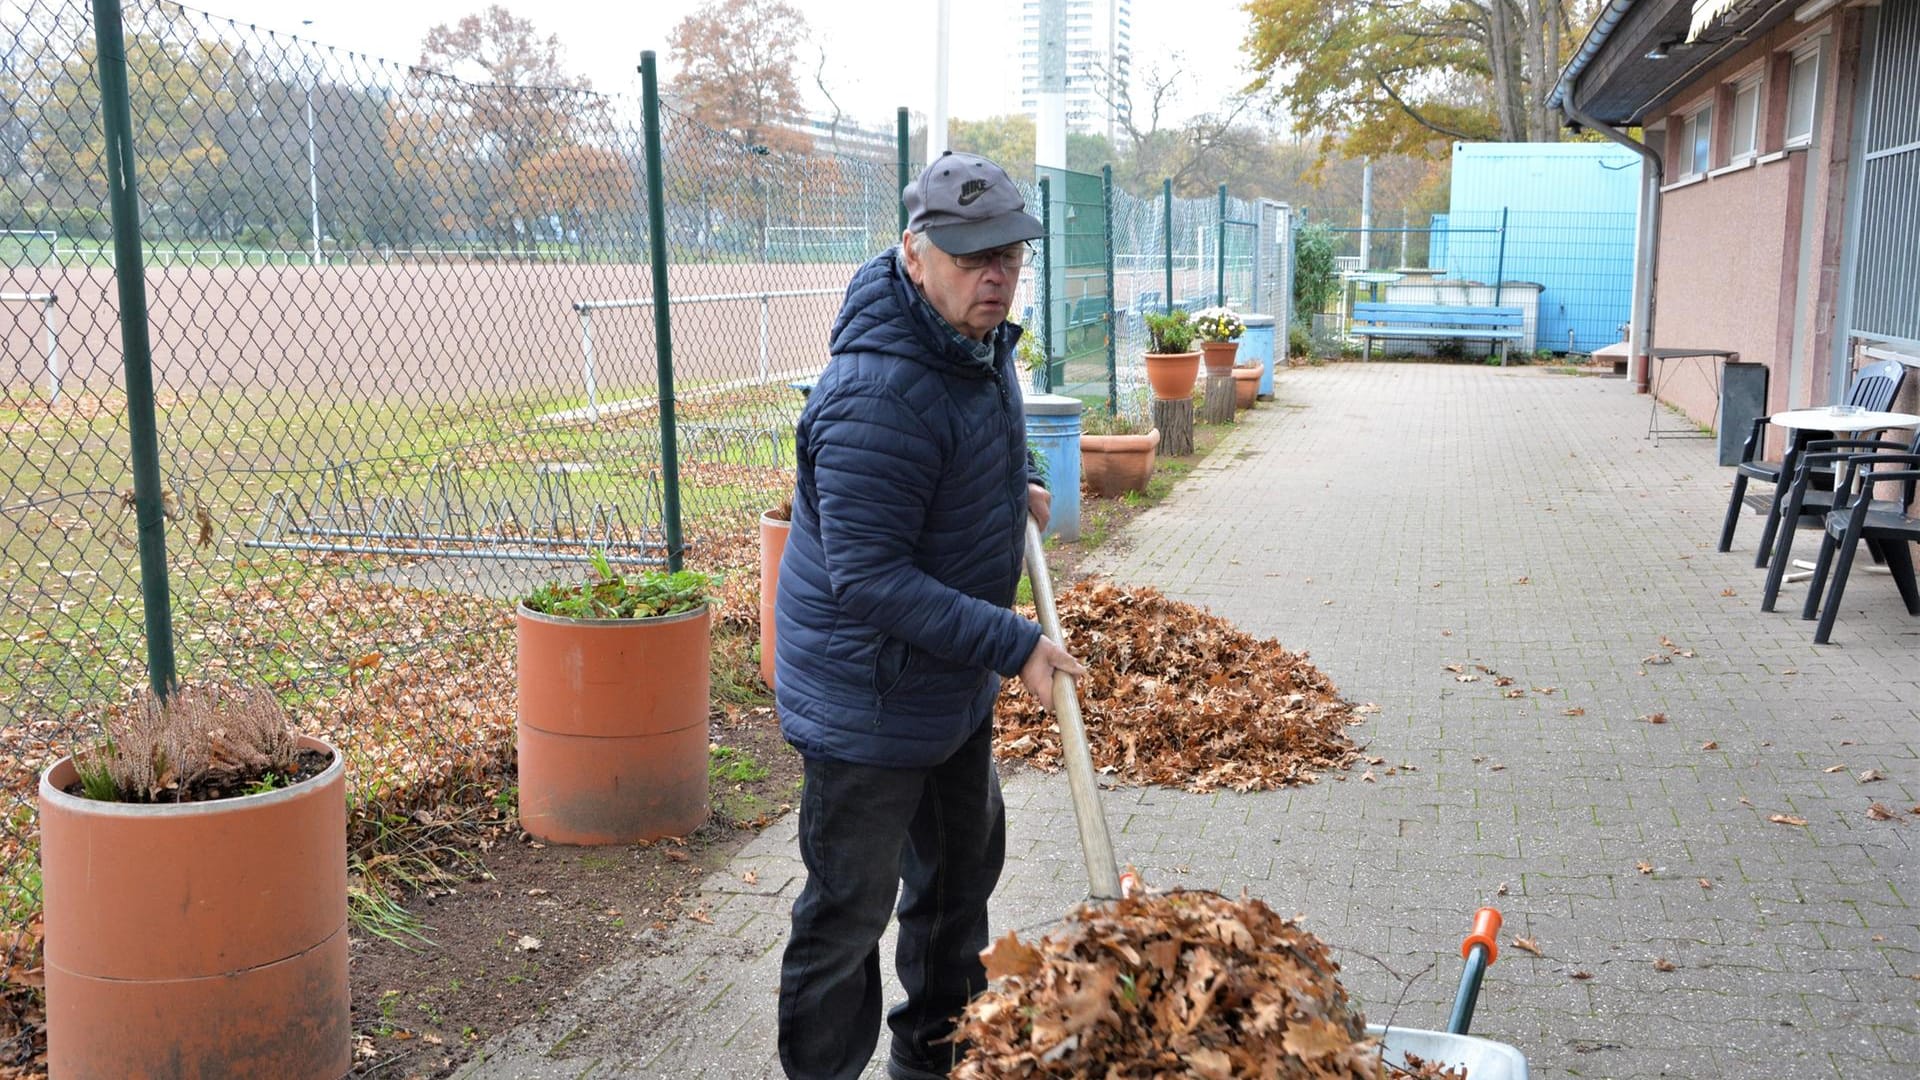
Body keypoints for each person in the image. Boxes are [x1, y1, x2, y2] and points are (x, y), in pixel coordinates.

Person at [772, 151, 1087, 1080]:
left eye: (1010, 257)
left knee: (956, 887)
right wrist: (1013, 641)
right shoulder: (875, 391)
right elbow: (868, 579)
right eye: (970, 256)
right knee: (848, 915)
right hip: (868, 701)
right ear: (916, 254)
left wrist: (1018, 479)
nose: (995, 275)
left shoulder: (972, 341)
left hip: (943, 685)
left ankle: (936, 1065)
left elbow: (984, 438)